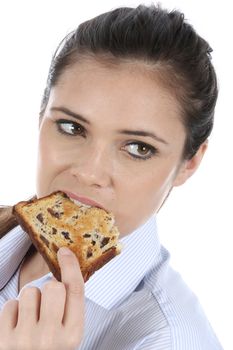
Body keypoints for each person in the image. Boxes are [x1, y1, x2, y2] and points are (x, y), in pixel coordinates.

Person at [0, 4, 223, 350]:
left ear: (189, 163)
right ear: (41, 114)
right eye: (71, 127)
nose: (89, 172)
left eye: (138, 148)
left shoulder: (170, 340)